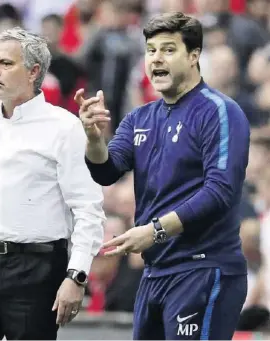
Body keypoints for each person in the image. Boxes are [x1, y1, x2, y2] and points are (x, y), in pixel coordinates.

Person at [75, 12, 250, 340]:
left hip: (204, 267)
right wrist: (94, 138)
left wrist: (155, 231)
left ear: (194, 55)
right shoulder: (139, 117)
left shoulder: (220, 112)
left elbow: (220, 191)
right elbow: (106, 171)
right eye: (151, 50)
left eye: (168, 50)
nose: (156, 58)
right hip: (156, 272)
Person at [0, 27, 105, 340]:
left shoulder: (64, 128)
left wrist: (76, 276)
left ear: (33, 71)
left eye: (6, 64)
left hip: (37, 268)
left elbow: (88, 208)